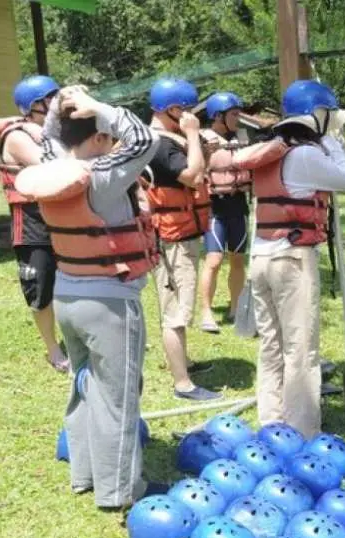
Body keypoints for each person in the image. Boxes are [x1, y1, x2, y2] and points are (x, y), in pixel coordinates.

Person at [15, 85, 161, 511]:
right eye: (107, 134)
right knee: (119, 396)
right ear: (99, 136)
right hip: (109, 303)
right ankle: (119, 491)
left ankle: (85, 474)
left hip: (68, 297)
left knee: (83, 386)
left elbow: (49, 139)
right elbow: (145, 139)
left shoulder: (51, 168)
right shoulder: (102, 173)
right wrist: (100, 108)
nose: (114, 142)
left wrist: (62, 113)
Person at [231, 80, 345, 439]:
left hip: (261, 257)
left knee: (271, 344)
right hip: (292, 259)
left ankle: (271, 421)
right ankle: (301, 432)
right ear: (316, 116)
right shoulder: (305, 154)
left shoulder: (274, 150)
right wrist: (332, 141)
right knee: (301, 348)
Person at [141, 78, 220, 401]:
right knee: (175, 312)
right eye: (186, 109)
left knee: (179, 308)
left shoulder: (169, 140)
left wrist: (200, 146)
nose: (190, 114)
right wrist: (191, 135)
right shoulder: (160, 144)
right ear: (172, 109)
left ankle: (183, 362)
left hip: (183, 233)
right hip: (171, 240)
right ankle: (182, 383)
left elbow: (197, 171)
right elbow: (192, 176)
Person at [0, 75, 69, 373]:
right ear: (35, 105)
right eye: (51, 99)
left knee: (69, 283)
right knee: (42, 289)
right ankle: (53, 349)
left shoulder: (50, 130)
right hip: (32, 226)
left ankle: (71, 339)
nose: (58, 103)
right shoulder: (19, 136)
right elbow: (51, 165)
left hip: (58, 219)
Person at [197, 91, 251, 333]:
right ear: (218, 116)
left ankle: (236, 307)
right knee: (214, 260)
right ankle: (206, 312)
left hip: (238, 203)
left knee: (238, 259)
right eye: (234, 114)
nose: (238, 118)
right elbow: (195, 171)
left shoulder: (242, 137)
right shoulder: (203, 139)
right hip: (215, 206)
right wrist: (206, 153)